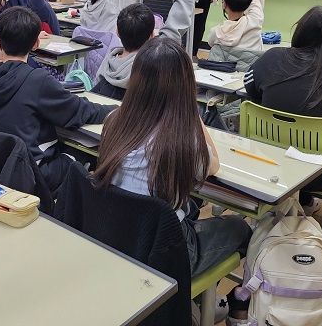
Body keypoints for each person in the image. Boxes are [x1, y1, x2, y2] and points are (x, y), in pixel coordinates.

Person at [94, 37, 252, 322]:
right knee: (241, 228)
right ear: (185, 86)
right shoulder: (182, 137)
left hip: (116, 237)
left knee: (189, 208)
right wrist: (193, 113)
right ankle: (222, 307)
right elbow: (212, 166)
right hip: (166, 250)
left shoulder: (114, 121)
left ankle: (193, 303)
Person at [0, 6, 118, 193]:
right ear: (36, 44)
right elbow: (81, 111)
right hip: (35, 173)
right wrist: (116, 108)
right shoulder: (38, 80)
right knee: (91, 155)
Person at [244, 6, 322, 210]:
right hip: (321, 173)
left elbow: (250, 86)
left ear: (300, 30)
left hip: (267, 160)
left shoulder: (272, 58)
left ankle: (300, 202)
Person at [92, 0, 202, 100]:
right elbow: (177, 21)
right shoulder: (155, 60)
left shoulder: (107, 63)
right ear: (152, 34)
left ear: (117, 32)